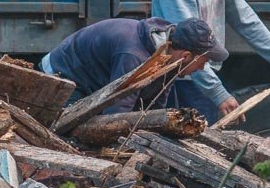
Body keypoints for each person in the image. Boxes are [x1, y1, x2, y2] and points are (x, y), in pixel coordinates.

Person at [40, 16, 227, 115]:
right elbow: (115, 114)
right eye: (203, 62)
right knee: (74, 136)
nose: (202, 69)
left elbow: (153, 107)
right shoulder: (134, 57)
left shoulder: (169, 55)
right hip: (61, 77)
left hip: (91, 80)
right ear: (186, 56)